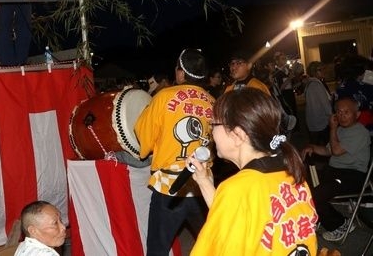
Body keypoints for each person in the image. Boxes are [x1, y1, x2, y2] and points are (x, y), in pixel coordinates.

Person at [189, 88, 318, 255]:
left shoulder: (236, 190)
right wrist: (205, 183)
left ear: (238, 135)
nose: (211, 132)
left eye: (213, 124)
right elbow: (237, 221)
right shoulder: (291, 173)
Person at [134, 48, 213, 256]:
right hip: (203, 186)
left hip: (170, 186)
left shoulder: (164, 97)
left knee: (158, 249)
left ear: (180, 73)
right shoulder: (213, 102)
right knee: (214, 245)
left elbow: (143, 135)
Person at [300, 95, 370, 242]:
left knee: (315, 195)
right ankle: (319, 215)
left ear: (357, 115)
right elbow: (328, 151)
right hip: (334, 172)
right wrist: (311, 147)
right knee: (303, 183)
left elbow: (336, 151)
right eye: (338, 112)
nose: (341, 116)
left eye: (346, 112)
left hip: (352, 176)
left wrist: (332, 128)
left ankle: (340, 224)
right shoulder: (341, 130)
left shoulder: (360, 132)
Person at [304, 61, 332, 145]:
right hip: (321, 122)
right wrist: (332, 116)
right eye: (321, 69)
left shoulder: (310, 83)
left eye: (324, 69)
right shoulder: (316, 85)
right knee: (325, 147)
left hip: (313, 121)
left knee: (315, 146)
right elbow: (326, 105)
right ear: (314, 72)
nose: (324, 71)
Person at [273, 51, 298, 117]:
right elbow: (279, 88)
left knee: (295, 115)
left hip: (291, 97)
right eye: (283, 58)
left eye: (285, 58)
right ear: (277, 61)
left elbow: (291, 85)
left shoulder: (287, 70)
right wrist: (289, 78)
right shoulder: (276, 73)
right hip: (284, 100)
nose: (285, 60)